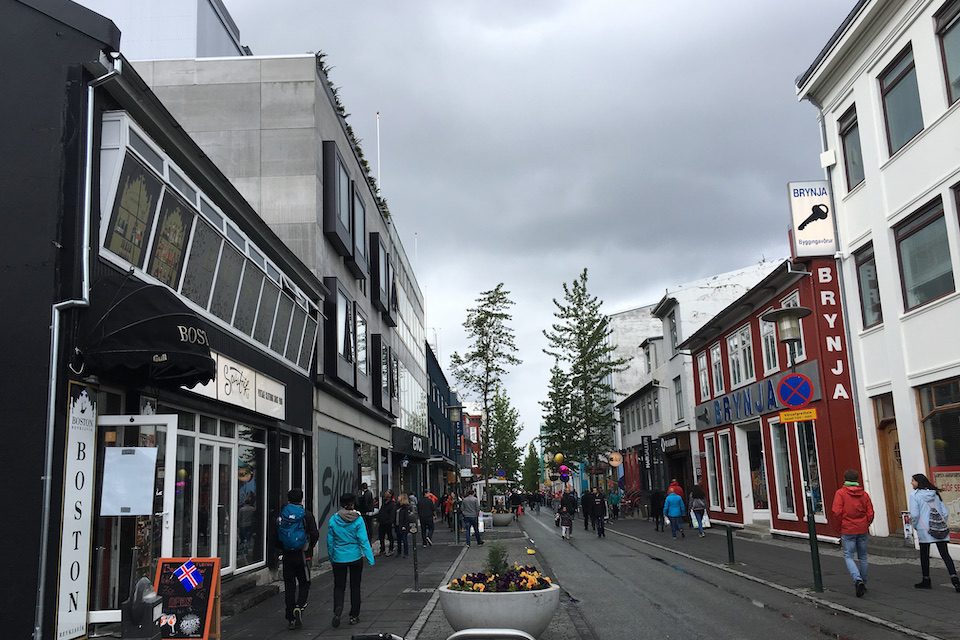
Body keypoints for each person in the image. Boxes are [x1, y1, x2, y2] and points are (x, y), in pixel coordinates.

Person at [326, 492, 375, 627]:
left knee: (339, 586)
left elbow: (330, 541)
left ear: (341, 504)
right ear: (353, 503)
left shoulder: (333, 519)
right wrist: (370, 558)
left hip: (339, 557)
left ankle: (338, 609)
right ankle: (354, 615)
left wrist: (331, 556)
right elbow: (363, 539)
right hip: (355, 557)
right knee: (355, 586)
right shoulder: (358, 519)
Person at [276, 489, 320, 630]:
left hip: (287, 554)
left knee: (289, 585)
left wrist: (282, 547)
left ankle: (290, 617)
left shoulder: (282, 514)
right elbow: (314, 533)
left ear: (288, 499)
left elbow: (275, 535)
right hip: (302, 555)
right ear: (301, 499)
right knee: (305, 582)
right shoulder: (306, 514)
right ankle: (300, 606)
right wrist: (309, 547)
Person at [909, 473, 960, 591]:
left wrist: (915, 525)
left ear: (918, 482)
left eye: (913, 481)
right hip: (939, 528)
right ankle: (955, 579)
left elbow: (915, 514)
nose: (911, 483)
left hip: (924, 528)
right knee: (945, 554)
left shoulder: (914, 495)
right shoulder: (935, 494)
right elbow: (945, 512)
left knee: (924, 554)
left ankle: (926, 579)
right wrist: (941, 523)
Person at [830, 469, 874, 597]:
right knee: (863, 557)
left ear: (845, 479)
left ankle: (857, 579)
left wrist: (839, 527)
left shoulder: (841, 493)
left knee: (848, 556)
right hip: (862, 528)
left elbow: (836, 512)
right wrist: (866, 523)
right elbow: (870, 512)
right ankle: (863, 583)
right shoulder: (864, 495)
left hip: (848, 528)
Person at [376, 490, 396, 556]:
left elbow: (392, 514)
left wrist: (390, 521)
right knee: (381, 537)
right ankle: (382, 549)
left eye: (387, 493)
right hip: (382, 522)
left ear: (390, 495)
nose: (385, 494)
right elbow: (381, 511)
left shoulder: (392, 504)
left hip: (387, 523)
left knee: (390, 536)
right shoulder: (384, 503)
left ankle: (391, 549)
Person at [394, 493, 413, 558]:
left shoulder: (405, 507)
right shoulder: (397, 506)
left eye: (399, 497)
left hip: (403, 525)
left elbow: (406, 518)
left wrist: (404, 526)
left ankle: (406, 553)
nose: (398, 498)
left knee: (404, 539)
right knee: (398, 539)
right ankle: (399, 552)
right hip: (397, 524)